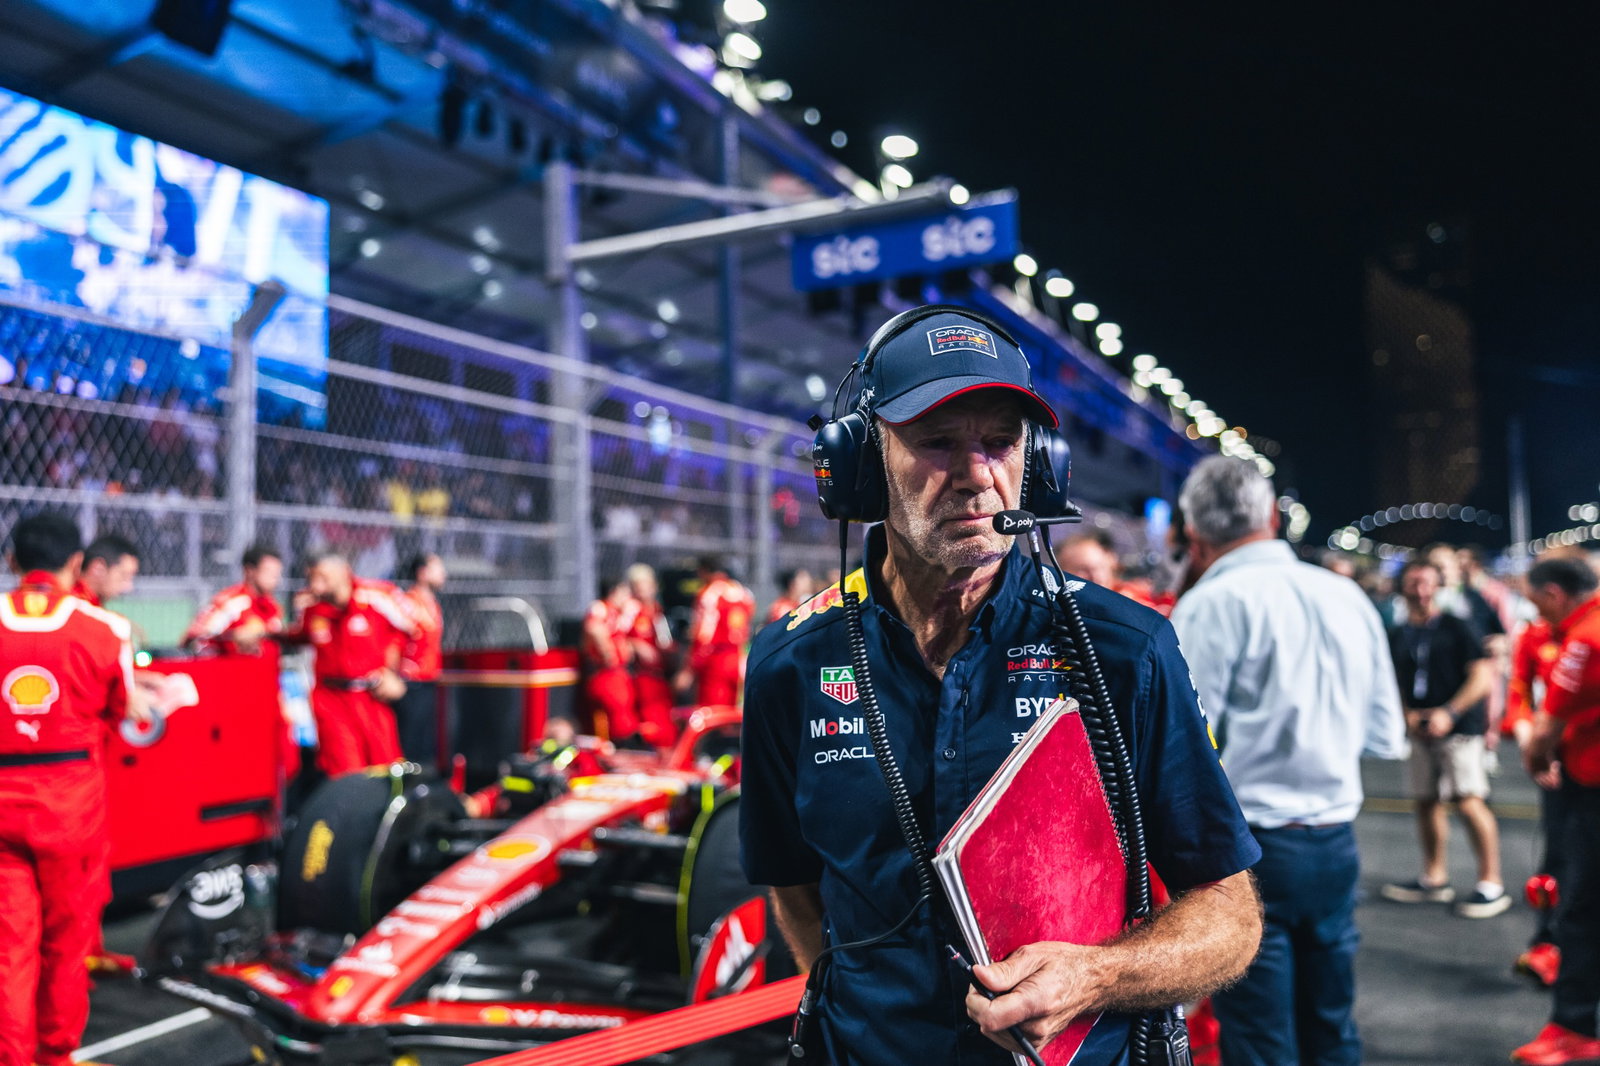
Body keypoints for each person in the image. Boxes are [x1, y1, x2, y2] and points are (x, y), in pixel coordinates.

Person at [739, 305, 1262, 1065]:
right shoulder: (790, 664)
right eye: (937, 442)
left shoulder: (1124, 651)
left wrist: (1097, 975)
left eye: (1001, 441)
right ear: (861, 462)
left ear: (1037, 462)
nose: (978, 474)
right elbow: (792, 882)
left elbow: (1229, 914)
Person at [1170, 456, 1406, 1066]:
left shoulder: (1211, 604)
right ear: (1273, 517)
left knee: (1259, 1036)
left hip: (1249, 849)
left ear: (1192, 534)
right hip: (1335, 841)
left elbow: (1186, 746)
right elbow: (1384, 733)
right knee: (1331, 1024)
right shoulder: (1345, 594)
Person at [0, 512, 146, 1066]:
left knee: (9, 948)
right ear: (77, 565)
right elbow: (120, 712)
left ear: (13, 561)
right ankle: (56, 1056)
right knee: (66, 944)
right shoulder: (106, 629)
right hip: (70, 806)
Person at [1381, 559, 1509, 917]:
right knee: (1426, 801)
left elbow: (1483, 678)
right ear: (1402, 588)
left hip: (1458, 729)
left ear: (1439, 587)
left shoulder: (1458, 627)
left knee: (1468, 800)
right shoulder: (1399, 633)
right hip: (1419, 729)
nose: (1420, 591)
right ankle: (1434, 878)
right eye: (1412, 584)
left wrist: (1449, 713)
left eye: (1426, 584)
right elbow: (1392, 680)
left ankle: (1491, 883)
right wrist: (1406, 714)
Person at [1513, 556, 1600, 1064]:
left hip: (1589, 792)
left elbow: (1547, 726)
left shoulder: (1583, 639)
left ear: (1556, 592)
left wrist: (1537, 752)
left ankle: (1573, 1024)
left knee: (1580, 909)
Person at [283, 553, 413, 776]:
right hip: (331, 700)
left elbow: (420, 631)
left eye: (323, 577)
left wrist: (399, 675)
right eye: (312, 578)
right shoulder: (311, 608)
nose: (316, 585)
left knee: (388, 770)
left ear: (343, 573)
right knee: (346, 775)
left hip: (372, 698)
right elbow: (298, 636)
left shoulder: (379, 596)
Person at [676, 555, 754, 708]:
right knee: (735, 717)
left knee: (712, 716)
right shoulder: (743, 593)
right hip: (739, 660)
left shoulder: (709, 594)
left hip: (716, 663)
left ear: (704, 571)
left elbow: (705, 636)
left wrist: (689, 669)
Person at [182, 544, 284, 655]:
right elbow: (194, 640)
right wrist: (233, 638)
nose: (275, 578)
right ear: (250, 571)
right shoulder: (231, 602)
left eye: (277, 573)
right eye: (268, 572)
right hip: (226, 668)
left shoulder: (273, 607)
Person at [395, 552, 446, 767]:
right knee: (411, 741)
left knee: (427, 741)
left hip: (429, 679)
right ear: (422, 573)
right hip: (411, 682)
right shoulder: (408, 603)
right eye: (437, 568)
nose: (444, 574)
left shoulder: (432, 604)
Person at [581, 576, 641, 744]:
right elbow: (594, 629)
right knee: (618, 716)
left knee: (625, 712)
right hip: (605, 673)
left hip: (617, 673)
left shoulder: (617, 613)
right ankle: (622, 747)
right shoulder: (601, 608)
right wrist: (608, 653)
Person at [624, 563, 676, 746]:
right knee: (651, 721)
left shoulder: (656, 610)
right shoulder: (631, 609)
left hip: (659, 676)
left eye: (647, 584)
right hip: (640, 676)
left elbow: (665, 642)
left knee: (665, 721)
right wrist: (636, 645)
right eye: (639, 585)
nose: (644, 589)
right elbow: (617, 635)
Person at [72, 533, 140, 607]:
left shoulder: (91, 605)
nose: (128, 587)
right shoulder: (73, 604)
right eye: (123, 577)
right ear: (98, 568)